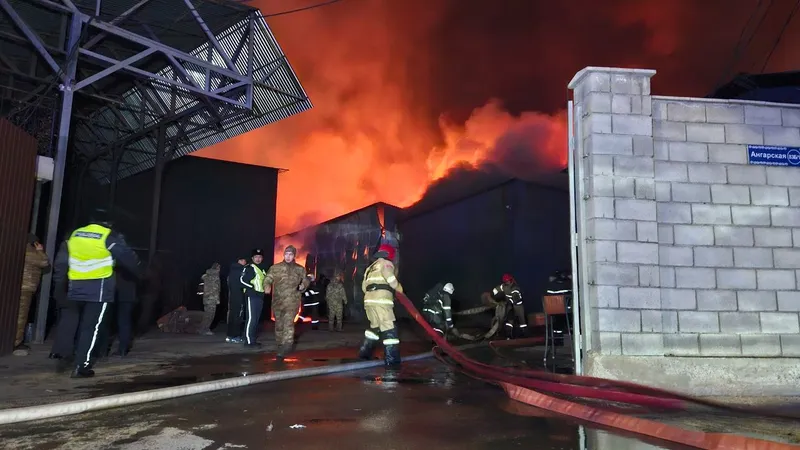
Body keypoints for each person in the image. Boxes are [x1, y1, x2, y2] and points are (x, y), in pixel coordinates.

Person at [52, 209, 142, 378]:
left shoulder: (76, 234)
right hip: (98, 289)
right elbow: (128, 258)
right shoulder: (108, 236)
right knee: (91, 328)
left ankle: (67, 356)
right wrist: (138, 272)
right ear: (109, 223)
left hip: (75, 286)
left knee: (76, 323)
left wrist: (60, 282)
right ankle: (82, 366)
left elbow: (63, 260)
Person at [357, 243, 402, 368]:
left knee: (374, 328)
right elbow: (391, 280)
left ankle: (364, 354)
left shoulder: (370, 268)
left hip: (369, 302)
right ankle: (392, 361)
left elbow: (364, 287)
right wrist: (400, 290)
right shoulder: (387, 264)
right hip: (382, 302)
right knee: (389, 329)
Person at [264, 245, 310, 360]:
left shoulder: (300, 269)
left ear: (294, 256)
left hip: (292, 302)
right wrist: (267, 286)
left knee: (288, 324)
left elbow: (305, 280)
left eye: (290, 254)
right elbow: (268, 278)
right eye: (286, 254)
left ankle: (287, 345)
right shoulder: (275, 268)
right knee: (279, 326)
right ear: (284, 255)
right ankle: (280, 346)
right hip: (278, 302)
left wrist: (303, 285)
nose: (288, 256)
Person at [13, 234, 50, 356]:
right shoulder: (30, 251)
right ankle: (17, 342)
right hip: (26, 287)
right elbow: (44, 262)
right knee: (21, 316)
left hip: (21, 286)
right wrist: (40, 251)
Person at [240, 249, 267, 347]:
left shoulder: (262, 269)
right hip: (252, 295)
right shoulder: (249, 267)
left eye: (260, 257)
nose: (258, 259)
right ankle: (248, 341)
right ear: (252, 258)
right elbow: (242, 280)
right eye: (256, 257)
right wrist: (252, 288)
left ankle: (251, 339)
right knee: (251, 319)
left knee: (256, 319)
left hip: (260, 296)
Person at [491, 274, 527, 339]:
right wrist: (494, 295)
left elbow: (515, 298)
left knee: (522, 321)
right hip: (510, 306)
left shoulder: (515, 287)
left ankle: (524, 334)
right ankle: (509, 335)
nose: (507, 282)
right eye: (506, 281)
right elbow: (495, 290)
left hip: (518, 306)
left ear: (511, 280)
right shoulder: (503, 286)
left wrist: (508, 302)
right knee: (509, 320)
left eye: (508, 281)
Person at [225, 257, 247, 343]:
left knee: (232, 315)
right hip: (239, 296)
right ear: (240, 261)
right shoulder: (241, 271)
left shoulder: (232, 271)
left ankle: (229, 335)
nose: (245, 262)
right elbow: (243, 283)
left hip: (232, 296)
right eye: (244, 260)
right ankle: (236, 336)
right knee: (238, 316)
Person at [198, 262, 221, 336]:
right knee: (210, 315)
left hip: (207, 298)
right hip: (212, 298)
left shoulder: (206, 276)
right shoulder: (215, 276)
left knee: (207, 314)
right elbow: (216, 288)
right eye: (219, 267)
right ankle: (204, 329)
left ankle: (203, 329)